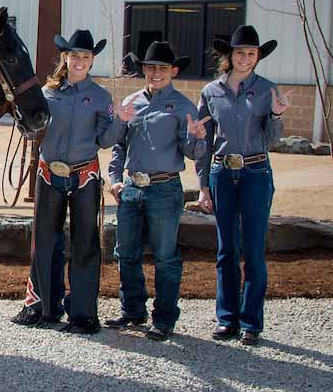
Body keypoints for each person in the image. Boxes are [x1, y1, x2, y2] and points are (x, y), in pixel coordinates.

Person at [12, 30, 134, 334]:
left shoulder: (101, 97)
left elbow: (105, 140)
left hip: (84, 175)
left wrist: (119, 120)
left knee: (85, 243)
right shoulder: (47, 92)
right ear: (65, 58)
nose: (79, 61)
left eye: (85, 57)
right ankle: (40, 307)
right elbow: (33, 126)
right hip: (49, 172)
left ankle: (82, 314)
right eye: (74, 56)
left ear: (92, 61)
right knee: (44, 240)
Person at [105, 41, 209, 341]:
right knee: (126, 252)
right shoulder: (131, 102)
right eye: (151, 67)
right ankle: (132, 310)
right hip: (131, 189)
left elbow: (192, 153)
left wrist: (198, 139)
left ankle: (164, 318)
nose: (156, 73)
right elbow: (120, 146)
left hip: (164, 188)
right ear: (144, 70)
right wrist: (114, 178)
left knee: (165, 256)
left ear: (174, 71)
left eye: (163, 68)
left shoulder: (184, 107)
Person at [196, 25, 287, 346]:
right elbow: (204, 142)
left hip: (255, 173)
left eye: (251, 53)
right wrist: (203, 184)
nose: (245, 58)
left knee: (253, 251)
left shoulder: (267, 90)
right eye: (240, 53)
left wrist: (276, 116)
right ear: (229, 56)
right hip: (221, 173)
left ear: (258, 56)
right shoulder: (210, 92)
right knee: (226, 250)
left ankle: (251, 323)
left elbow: (272, 140)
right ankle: (227, 319)